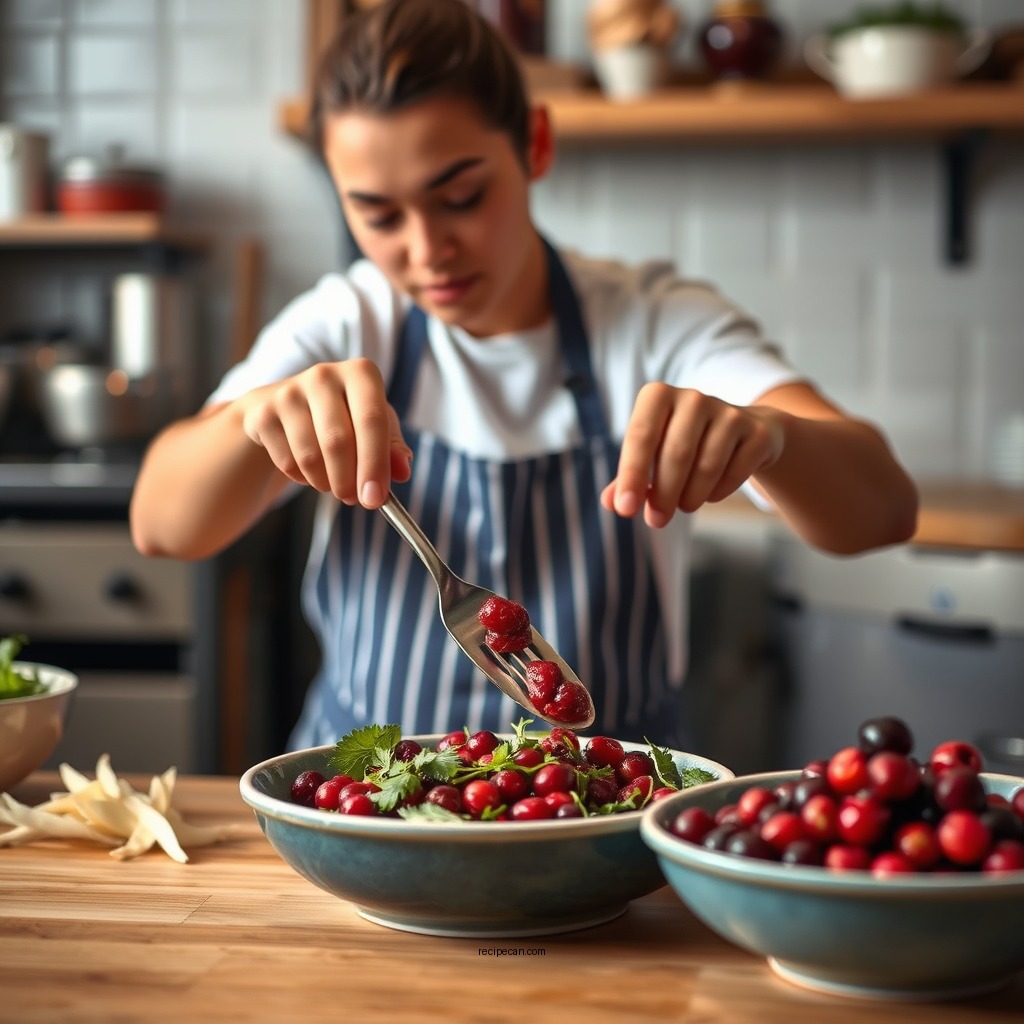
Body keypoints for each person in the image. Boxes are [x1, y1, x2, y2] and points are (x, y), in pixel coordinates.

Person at [129, 0, 918, 752]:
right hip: (370, 805)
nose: (427, 248)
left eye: (462, 196)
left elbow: (883, 510)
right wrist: (251, 422)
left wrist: (772, 440)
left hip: (608, 813)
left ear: (535, 145)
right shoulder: (345, 321)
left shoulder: (654, 321)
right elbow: (161, 524)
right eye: (377, 214)